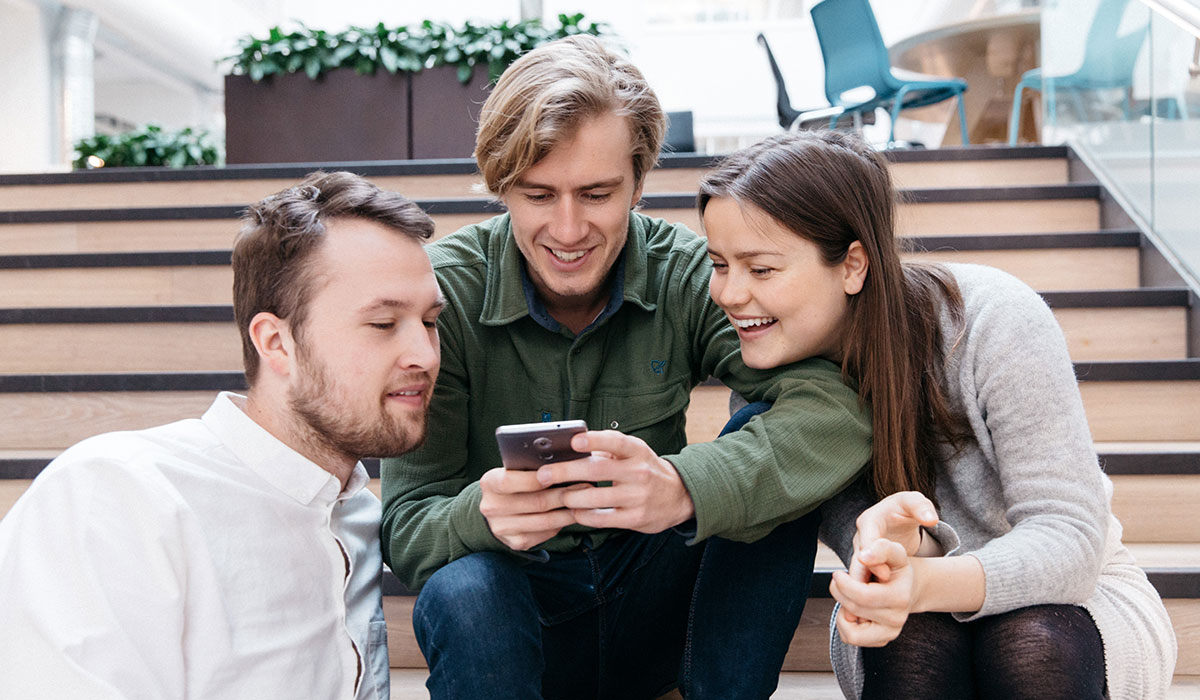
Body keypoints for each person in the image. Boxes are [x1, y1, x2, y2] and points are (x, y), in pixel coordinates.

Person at [380, 35, 872, 700]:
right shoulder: (445, 296)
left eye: (597, 193)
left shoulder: (691, 276)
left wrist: (682, 484)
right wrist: (483, 516)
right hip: (516, 616)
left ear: (639, 183)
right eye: (537, 194)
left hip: (656, 593)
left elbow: (834, 410)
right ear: (500, 186)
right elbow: (407, 526)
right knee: (465, 585)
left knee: (765, 465)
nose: (568, 227)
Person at [698, 129, 1177, 700]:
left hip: (1075, 600)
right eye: (718, 263)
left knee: (1029, 645)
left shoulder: (992, 319)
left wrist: (926, 579)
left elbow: (1069, 538)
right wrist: (903, 551)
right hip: (903, 613)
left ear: (853, 265)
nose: (727, 293)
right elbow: (884, 573)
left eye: (760, 268)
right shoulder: (769, 391)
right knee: (911, 645)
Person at [0, 171, 444, 699]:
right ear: (276, 343)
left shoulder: (360, 517)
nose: (426, 355)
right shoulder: (117, 494)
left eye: (430, 321)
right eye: (383, 324)